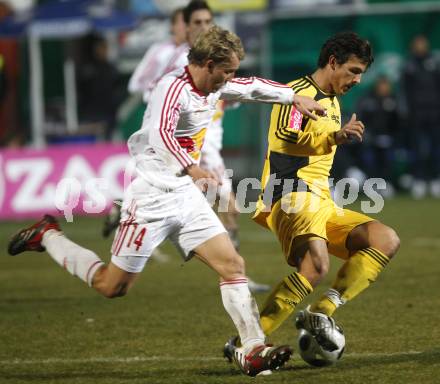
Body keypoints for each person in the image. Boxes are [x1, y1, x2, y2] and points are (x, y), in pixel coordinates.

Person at [8, 26, 325, 377]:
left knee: (233, 265)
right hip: (151, 198)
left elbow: (252, 87)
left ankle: (252, 348)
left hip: (185, 196)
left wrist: (293, 98)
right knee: (112, 287)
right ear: (207, 63)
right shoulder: (171, 87)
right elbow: (160, 135)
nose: (231, 77)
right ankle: (48, 235)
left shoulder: (213, 85)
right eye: (228, 70)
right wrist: (192, 167)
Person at [223, 32, 400, 361]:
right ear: (333, 62)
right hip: (290, 191)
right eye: (353, 70)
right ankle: (245, 343)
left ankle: (322, 310)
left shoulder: (332, 101)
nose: (358, 80)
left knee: (384, 239)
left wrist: (334, 136)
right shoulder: (297, 93)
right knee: (316, 266)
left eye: (361, 73)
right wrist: (335, 137)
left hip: (321, 199)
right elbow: (284, 140)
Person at [107, 0, 270, 292]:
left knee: (227, 207)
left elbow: (229, 92)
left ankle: (233, 271)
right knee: (225, 203)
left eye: (208, 21)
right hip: (188, 148)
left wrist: (220, 98)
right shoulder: (169, 57)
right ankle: (233, 272)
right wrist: (162, 100)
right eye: (197, 22)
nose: (203, 27)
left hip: (208, 143)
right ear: (183, 25)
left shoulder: (217, 59)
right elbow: (142, 87)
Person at [401, 34, 440, 198]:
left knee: (436, 147)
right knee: (417, 148)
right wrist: (407, 111)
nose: (420, 46)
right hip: (417, 114)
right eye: (417, 43)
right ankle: (419, 180)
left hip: (435, 112)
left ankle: (436, 179)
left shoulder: (434, 62)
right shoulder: (409, 65)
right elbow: (404, 91)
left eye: (422, 43)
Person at [355, 75, 399, 195]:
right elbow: (360, 119)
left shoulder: (393, 100)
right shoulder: (367, 99)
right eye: (382, 85)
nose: (384, 88)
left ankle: (386, 183)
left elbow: (398, 122)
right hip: (370, 138)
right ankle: (373, 184)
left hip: (389, 138)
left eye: (386, 85)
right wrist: (368, 136)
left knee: (388, 158)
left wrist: (392, 135)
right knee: (370, 159)